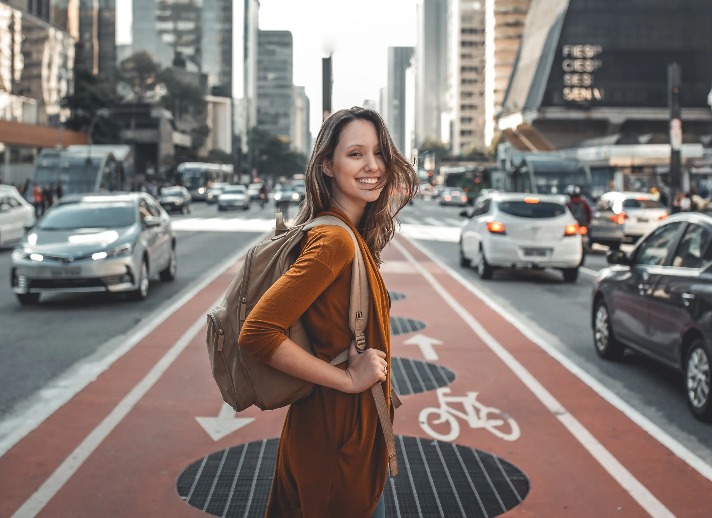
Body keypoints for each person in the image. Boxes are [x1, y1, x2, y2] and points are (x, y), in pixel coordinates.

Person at [238, 107, 418, 517]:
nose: (373, 165)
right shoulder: (333, 241)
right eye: (356, 154)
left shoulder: (348, 234)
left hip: (338, 424)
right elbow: (258, 333)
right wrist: (350, 379)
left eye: (378, 152)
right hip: (336, 430)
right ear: (327, 165)